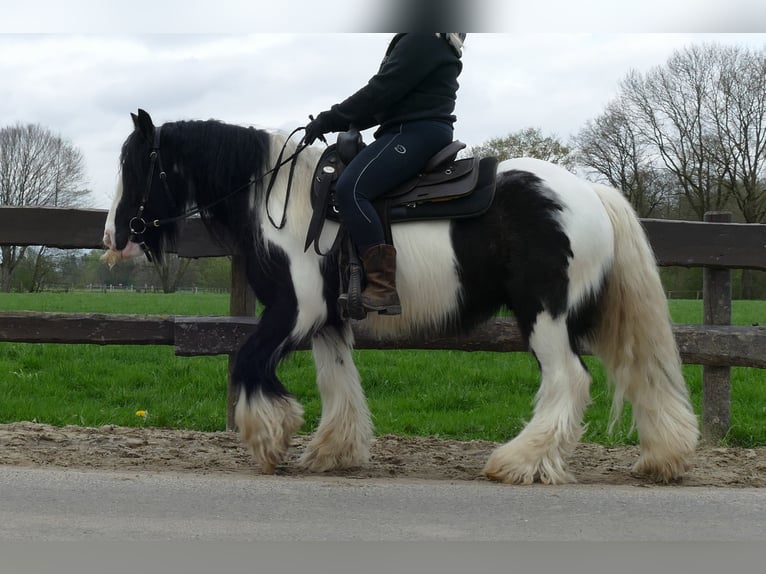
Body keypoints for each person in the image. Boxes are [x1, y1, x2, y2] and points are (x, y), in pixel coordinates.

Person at [304, 33, 466, 316]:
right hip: (410, 128)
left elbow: (381, 90)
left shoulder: (424, 36)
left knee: (350, 189)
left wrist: (329, 119)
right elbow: (382, 104)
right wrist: (334, 122)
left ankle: (382, 287)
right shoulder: (428, 37)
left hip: (414, 131)